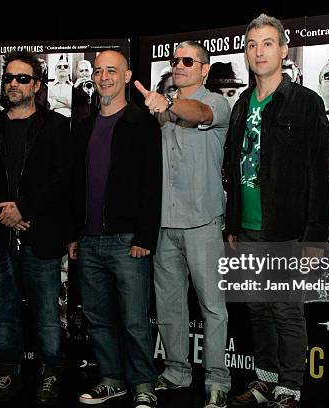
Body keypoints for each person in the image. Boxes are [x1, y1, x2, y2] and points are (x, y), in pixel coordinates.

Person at [224, 14, 329, 408]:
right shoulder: (240, 104)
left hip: (286, 228)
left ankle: (291, 385)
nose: (259, 51)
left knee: (286, 311)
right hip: (247, 228)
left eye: (268, 43)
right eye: (252, 44)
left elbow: (321, 175)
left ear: (284, 50)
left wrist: (314, 237)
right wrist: (233, 224)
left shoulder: (305, 103)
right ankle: (265, 380)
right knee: (258, 309)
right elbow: (233, 172)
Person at [0, 50, 72, 406]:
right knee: (3, 312)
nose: (13, 83)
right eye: (9, 78)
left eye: (22, 78)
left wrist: (22, 208)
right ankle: (7, 374)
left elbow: (63, 178)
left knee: (46, 313)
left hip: (39, 234)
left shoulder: (56, 125)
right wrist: (3, 212)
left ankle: (51, 375)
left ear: (37, 85)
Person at [134, 40, 231, 408]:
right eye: (175, 60)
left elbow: (199, 113)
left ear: (205, 69)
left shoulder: (216, 102)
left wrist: (169, 103)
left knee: (212, 305)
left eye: (188, 60)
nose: (179, 65)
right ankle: (176, 372)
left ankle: (217, 380)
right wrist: (162, 106)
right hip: (164, 223)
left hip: (203, 221)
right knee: (170, 305)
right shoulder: (160, 107)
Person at [70, 49, 162, 408]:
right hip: (89, 240)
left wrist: (144, 236)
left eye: (112, 70)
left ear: (126, 77)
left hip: (128, 242)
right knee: (97, 318)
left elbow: (152, 183)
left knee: (135, 321)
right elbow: (75, 185)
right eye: (98, 71)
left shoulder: (141, 122)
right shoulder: (84, 124)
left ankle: (143, 384)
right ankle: (111, 379)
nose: (103, 76)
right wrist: (73, 234)